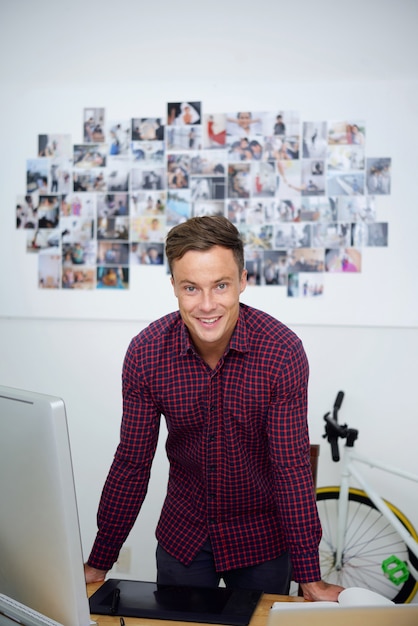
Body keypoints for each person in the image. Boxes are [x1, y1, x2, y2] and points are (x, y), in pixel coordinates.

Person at [84, 215, 343, 602]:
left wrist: (310, 577)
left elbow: (291, 468)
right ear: (173, 286)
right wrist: (98, 562)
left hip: (261, 540)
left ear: (242, 280)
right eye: (191, 288)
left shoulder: (282, 353)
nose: (207, 305)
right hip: (183, 538)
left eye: (221, 285)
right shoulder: (146, 353)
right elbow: (132, 463)